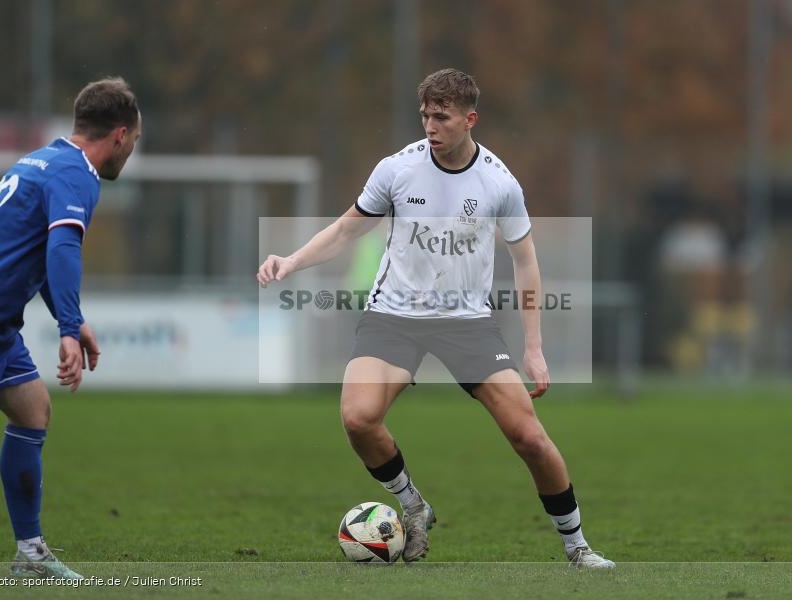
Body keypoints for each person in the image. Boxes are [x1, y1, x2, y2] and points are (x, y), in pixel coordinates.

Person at [258, 68, 613, 568]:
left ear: (470, 119)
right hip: (394, 316)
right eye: (425, 115)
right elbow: (345, 231)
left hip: (467, 323)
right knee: (358, 419)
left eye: (442, 117)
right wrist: (291, 261)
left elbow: (526, 261)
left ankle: (577, 547)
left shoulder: (499, 182)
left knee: (530, 438)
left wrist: (533, 347)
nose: (430, 125)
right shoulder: (397, 170)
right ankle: (413, 505)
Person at [0, 77, 141, 579]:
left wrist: (75, 320)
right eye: (134, 140)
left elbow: (38, 252)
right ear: (119, 134)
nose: (132, 149)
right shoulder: (78, 176)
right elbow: (63, 249)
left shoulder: (44, 158)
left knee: (33, 411)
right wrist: (68, 329)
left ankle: (30, 553)